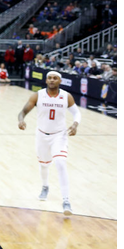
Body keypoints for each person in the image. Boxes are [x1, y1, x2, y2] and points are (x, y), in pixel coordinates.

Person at [17, 71, 81, 215]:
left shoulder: (66, 96)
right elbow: (22, 112)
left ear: (60, 81)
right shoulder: (38, 95)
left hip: (59, 135)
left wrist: (75, 124)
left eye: (55, 78)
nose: (52, 80)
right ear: (46, 80)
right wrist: (21, 120)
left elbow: (76, 113)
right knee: (44, 165)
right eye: (50, 78)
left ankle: (66, 201)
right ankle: (45, 186)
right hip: (41, 135)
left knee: (60, 163)